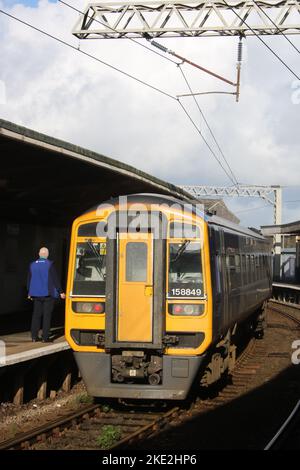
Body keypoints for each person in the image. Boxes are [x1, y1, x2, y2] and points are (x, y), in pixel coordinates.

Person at [27, 247, 65, 343]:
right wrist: (61, 292)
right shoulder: (50, 264)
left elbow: (29, 280)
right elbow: (55, 279)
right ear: (47, 255)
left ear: (39, 254)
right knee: (47, 316)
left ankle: (34, 337)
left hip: (36, 294)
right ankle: (45, 337)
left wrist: (29, 292)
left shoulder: (32, 265)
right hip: (48, 294)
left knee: (36, 315)